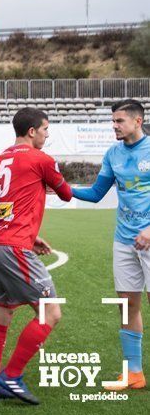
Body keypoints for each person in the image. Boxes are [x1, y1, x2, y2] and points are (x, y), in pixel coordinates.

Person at [0, 108, 72, 405]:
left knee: (2, 312)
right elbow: (67, 193)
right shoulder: (41, 159)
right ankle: (11, 376)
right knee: (50, 312)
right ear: (32, 131)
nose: (47, 135)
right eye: (45, 129)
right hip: (13, 245)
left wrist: (30, 237)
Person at [71, 99, 150, 390]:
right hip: (124, 240)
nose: (114, 126)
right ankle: (134, 374)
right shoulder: (113, 154)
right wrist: (59, 187)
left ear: (137, 121)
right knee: (127, 305)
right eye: (113, 121)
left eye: (119, 121)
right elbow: (95, 193)